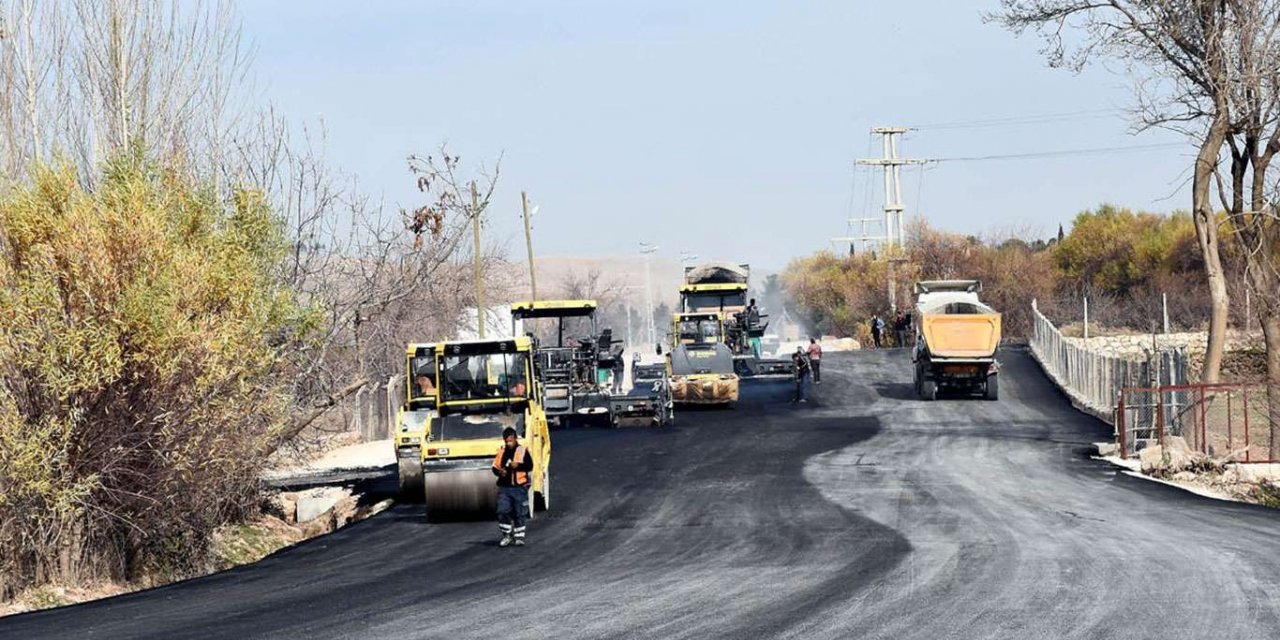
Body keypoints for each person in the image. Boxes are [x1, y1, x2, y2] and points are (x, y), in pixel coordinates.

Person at [492, 427, 534, 547]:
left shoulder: (522, 451)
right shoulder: (502, 452)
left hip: (519, 488)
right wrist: (499, 472)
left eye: (510, 440)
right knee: (502, 511)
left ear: (515, 438)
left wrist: (518, 466)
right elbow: (494, 467)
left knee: (519, 513)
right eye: (506, 441)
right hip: (504, 488)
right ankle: (507, 535)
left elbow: (530, 466)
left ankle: (519, 537)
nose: (508, 443)